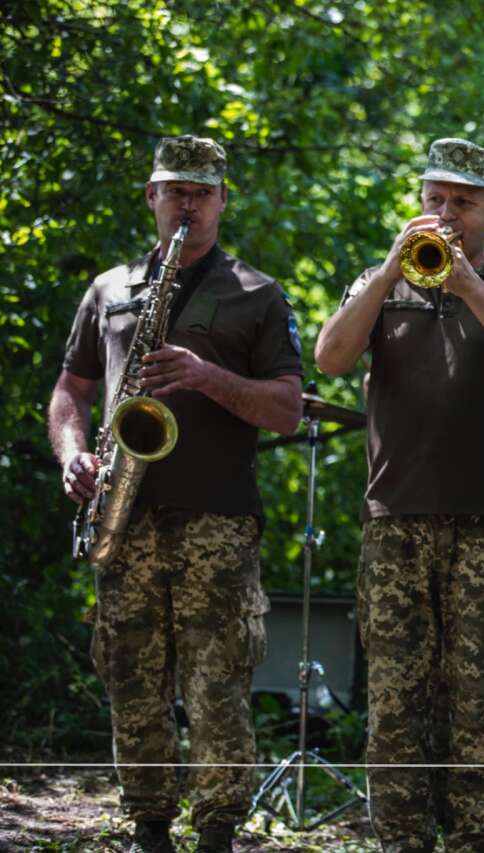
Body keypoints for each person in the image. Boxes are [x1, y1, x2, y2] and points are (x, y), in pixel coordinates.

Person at [48, 135, 304, 853]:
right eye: (174, 189)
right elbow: (72, 389)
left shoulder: (258, 293)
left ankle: (219, 828)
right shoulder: (109, 287)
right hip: (123, 515)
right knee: (129, 668)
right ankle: (150, 823)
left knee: (217, 674)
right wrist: (73, 455)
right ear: (152, 197)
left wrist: (204, 376)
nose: (187, 202)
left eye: (201, 191)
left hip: (217, 516)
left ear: (223, 199)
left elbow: (287, 406)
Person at [314, 137, 484, 853]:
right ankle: (401, 840)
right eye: (434, 198)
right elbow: (330, 358)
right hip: (397, 521)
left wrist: (468, 287)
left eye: (462, 202)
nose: (445, 213)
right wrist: (395, 265)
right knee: (395, 700)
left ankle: (479, 837)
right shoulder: (381, 279)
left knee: (482, 698)